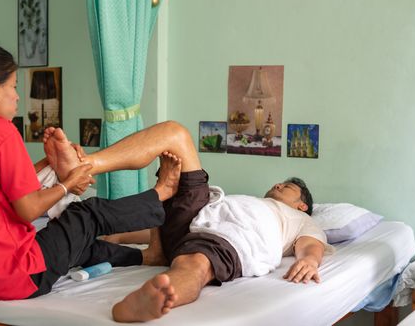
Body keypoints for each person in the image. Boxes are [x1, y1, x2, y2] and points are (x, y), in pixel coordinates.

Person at [0, 43, 198, 300]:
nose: (17, 95)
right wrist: (67, 184)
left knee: (72, 238)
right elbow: (27, 209)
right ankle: (160, 193)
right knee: (84, 215)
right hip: (12, 278)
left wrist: (49, 166)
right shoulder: (0, 131)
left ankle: (147, 257)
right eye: (13, 86)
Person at [42, 127, 332, 323]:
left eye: (289, 187)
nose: (279, 184)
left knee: (195, 263)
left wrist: (310, 261)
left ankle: (154, 299)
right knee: (176, 134)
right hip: (201, 215)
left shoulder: (300, 219)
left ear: (302, 204)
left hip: (233, 237)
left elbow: (310, 244)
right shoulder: (249, 199)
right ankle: (84, 166)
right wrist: (117, 236)